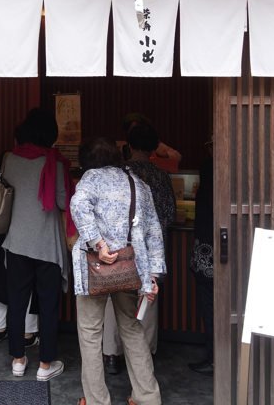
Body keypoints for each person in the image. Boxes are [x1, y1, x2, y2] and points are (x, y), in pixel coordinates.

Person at [70, 137, 165, 405]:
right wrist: (153, 275)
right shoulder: (139, 185)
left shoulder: (91, 179)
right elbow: (154, 231)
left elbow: (78, 205)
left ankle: (97, 400)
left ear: (87, 161)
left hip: (95, 268)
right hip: (129, 269)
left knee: (90, 333)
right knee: (132, 328)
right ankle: (147, 397)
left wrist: (98, 244)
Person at [2, 108, 70, 381]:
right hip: (47, 245)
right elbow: (64, 203)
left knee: (16, 301)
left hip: (17, 241)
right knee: (49, 304)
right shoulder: (56, 163)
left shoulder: (10, 159)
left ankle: (18, 360)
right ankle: (45, 365)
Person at [102, 121, 176, 374]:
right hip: (150, 247)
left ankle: (112, 354)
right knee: (148, 298)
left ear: (129, 146)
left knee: (115, 296)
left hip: (121, 247)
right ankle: (144, 357)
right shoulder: (161, 176)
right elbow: (169, 214)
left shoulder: (119, 175)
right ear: (154, 147)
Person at [0, 140, 39, 348]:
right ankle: (28, 331)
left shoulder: (3, 160)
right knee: (26, 278)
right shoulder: (34, 162)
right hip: (23, 227)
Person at [188, 140, 214, 376]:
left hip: (207, 250)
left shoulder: (209, 168)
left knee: (210, 304)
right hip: (231, 249)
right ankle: (224, 355)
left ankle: (214, 356)